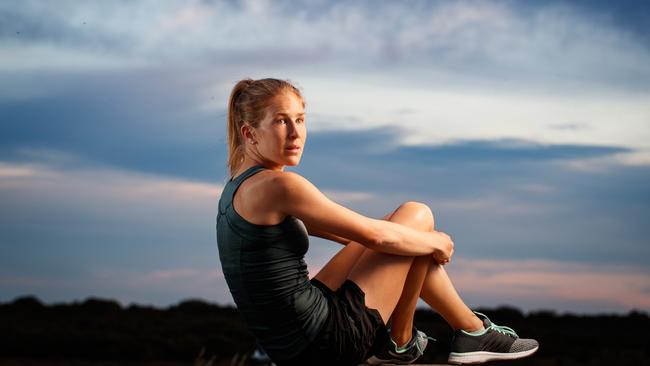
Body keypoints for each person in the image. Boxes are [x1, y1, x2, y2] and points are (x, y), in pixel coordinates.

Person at [216, 78, 539, 365]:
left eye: (300, 120)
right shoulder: (279, 186)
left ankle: (467, 331)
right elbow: (376, 237)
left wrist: (410, 244)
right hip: (325, 343)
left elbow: (352, 234)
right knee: (418, 214)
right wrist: (434, 241)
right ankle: (406, 341)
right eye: (281, 122)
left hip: (291, 344)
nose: (296, 132)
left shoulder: (238, 188)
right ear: (249, 133)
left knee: (405, 232)